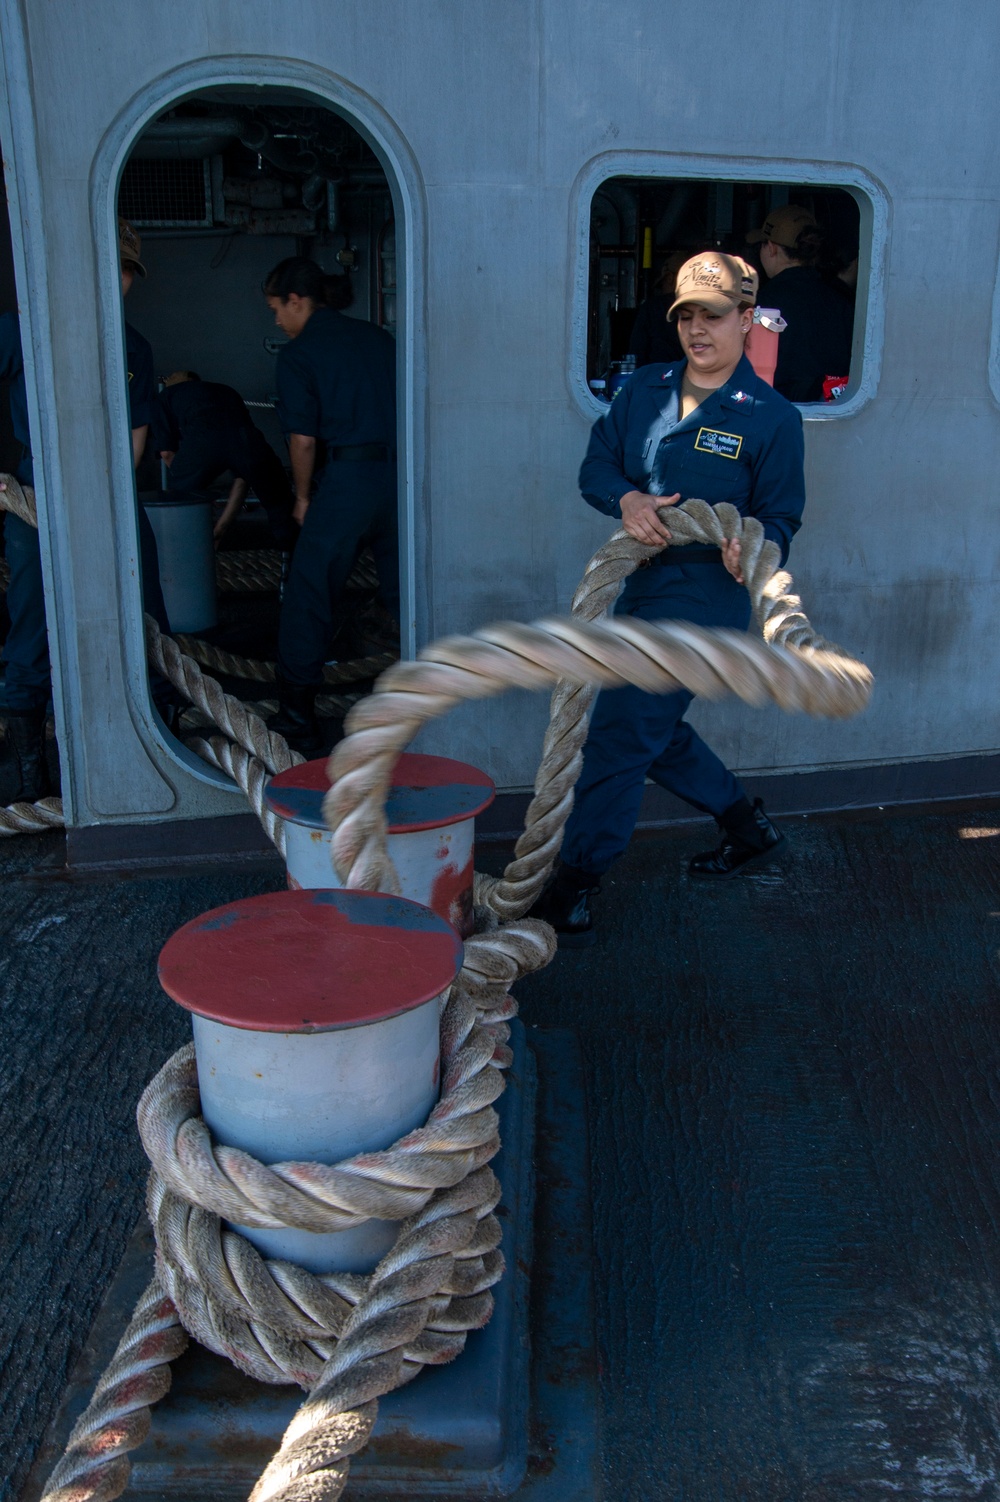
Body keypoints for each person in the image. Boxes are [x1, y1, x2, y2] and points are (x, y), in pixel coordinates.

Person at [532, 252, 806, 946]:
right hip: (645, 584)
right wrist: (624, 498)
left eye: (712, 315)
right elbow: (598, 464)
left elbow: (782, 516)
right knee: (652, 729)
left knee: (624, 732)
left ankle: (575, 884)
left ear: (746, 320)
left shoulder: (771, 417)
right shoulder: (645, 390)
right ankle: (749, 828)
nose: (696, 329)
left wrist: (756, 542)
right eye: (685, 315)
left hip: (706, 598)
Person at [0, 218, 170, 802]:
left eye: (126, 271)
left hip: (111, 497)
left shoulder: (135, 347)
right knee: (32, 626)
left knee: (147, 612)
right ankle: (30, 773)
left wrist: (109, 501)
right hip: (37, 500)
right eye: (109, 266)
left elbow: (136, 433)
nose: (118, 281)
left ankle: (163, 751)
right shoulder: (23, 331)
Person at [263, 256, 398, 754]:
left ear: (298, 301)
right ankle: (431, 703)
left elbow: (303, 440)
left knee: (310, 592)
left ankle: (297, 718)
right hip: (401, 479)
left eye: (277, 308)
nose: (277, 320)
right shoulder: (379, 339)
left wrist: (301, 499)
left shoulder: (299, 354)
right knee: (409, 594)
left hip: (347, 481)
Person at [151, 371, 295, 549]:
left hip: (201, 440)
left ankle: (183, 555)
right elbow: (243, 477)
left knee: (182, 503)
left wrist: (185, 479)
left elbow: (166, 453)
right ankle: (290, 558)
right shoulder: (225, 390)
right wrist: (222, 527)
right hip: (247, 439)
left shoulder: (166, 396)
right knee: (279, 502)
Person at [746, 204, 854, 403]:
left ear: (771, 248)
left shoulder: (763, 302)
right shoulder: (840, 298)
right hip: (834, 407)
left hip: (778, 408)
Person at [626, 252, 685, 368]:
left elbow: (636, 353)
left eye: (662, 285)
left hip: (657, 380)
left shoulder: (652, 308)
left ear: (669, 278)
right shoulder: (702, 308)